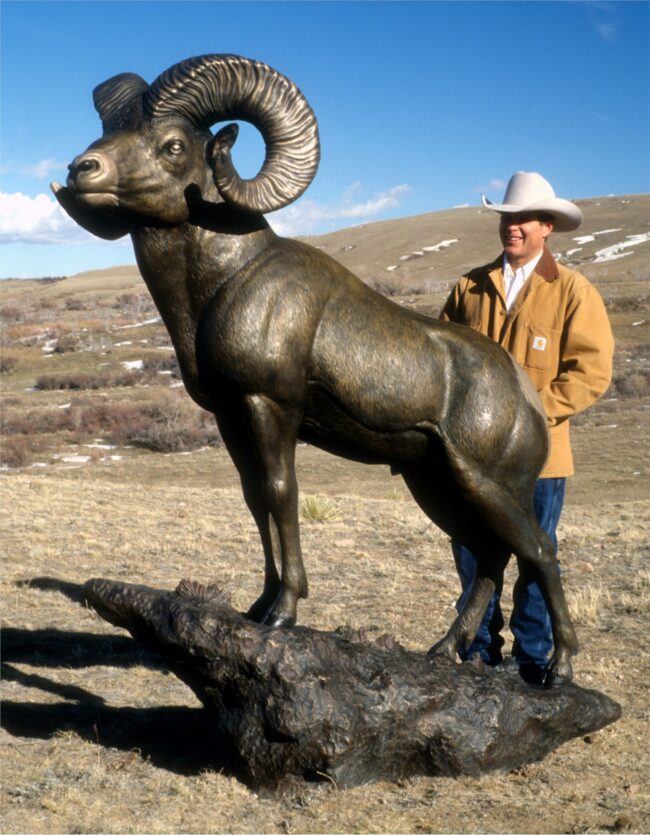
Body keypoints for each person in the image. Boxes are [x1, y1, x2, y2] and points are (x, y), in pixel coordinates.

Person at [440, 171, 614, 684]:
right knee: (472, 554)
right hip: (471, 458)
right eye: (507, 218)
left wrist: (528, 416)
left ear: (547, 227)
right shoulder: (468, 287)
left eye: (524, 220)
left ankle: (535, 658)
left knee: (536, 559)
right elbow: (441, 361)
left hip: (541, 458)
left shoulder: (574, 292)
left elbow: (591, 373)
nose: (512, 227)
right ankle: (478, 653)